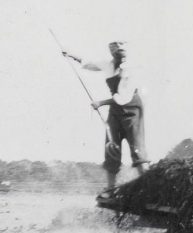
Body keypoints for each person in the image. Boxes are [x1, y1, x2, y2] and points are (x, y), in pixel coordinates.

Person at [62, 41, 149, 190]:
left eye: (123, 55)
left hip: (131, 109)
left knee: (136, 147)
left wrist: (100, 103)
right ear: (112, 54)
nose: (121, 58)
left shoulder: (129, 71)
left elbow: (124, 98)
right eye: (117, 55)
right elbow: (89, 64)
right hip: (115, 109)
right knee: (111, 145)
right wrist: (71, 56)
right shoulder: (108, 64)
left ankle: (149, 186)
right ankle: (111, 188)